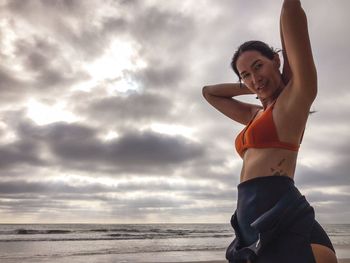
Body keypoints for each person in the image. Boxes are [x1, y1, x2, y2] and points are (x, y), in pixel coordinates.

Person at [202, 1, 337, 262]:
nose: (254, 77)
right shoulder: (255, 115)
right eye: (245, 74)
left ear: (276, 60)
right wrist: (253, 84)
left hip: (278, 207)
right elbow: (209, 92)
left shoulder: (293, 101)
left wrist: (261, 78)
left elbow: (291, 13)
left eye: (258, 66)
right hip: (250, 216)